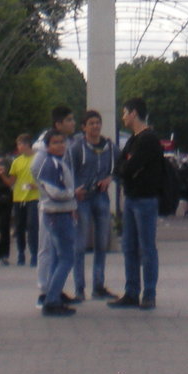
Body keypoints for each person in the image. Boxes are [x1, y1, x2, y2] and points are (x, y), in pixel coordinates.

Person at [109, 96, 162, 310]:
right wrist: (127, 168)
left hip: (145, 199)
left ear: (133, 113)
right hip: (131, 198)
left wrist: (127, 168)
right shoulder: (133, 140)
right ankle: (131, 291)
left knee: (147, 247)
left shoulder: (148, 139)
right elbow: (120, 166)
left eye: (124, 112)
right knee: (129, 246)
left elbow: (129, 168)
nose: (122, 117)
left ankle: (148, 293)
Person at [71, 109, 116, 299]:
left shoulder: (110, 147)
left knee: (101, 243)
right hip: (82, 199)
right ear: (84, 127)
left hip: (101, 196)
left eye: (98, 122)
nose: (95, 126)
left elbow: (119, 166)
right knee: (80, 244)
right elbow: (69, 171)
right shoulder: (77, 147)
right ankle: (79, 288)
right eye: (91, 123)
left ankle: (98, 286)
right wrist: (74, 191)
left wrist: (109, 178)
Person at [33, 107, 78, 296]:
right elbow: (36, 169)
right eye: (68, 120)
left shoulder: (67, 142)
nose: (73, 123)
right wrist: (49, 191)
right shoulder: (45, 146)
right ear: (58, 124)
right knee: (47, 248)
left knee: (57, 251)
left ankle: (54, 289)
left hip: (62, 204)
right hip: (51, 205)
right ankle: (45, 290)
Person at [9, 134, 39, 266]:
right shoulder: (17, 161)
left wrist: (37, 185)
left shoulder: (38, 158)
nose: (18, 147)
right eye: (18, 144)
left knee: (32, 225)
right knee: (19, 227)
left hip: (34, 196)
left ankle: (34, 253)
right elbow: (12, 180)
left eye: (20, 144)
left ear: (27, 144)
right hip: (18, 197)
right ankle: (21, 252)